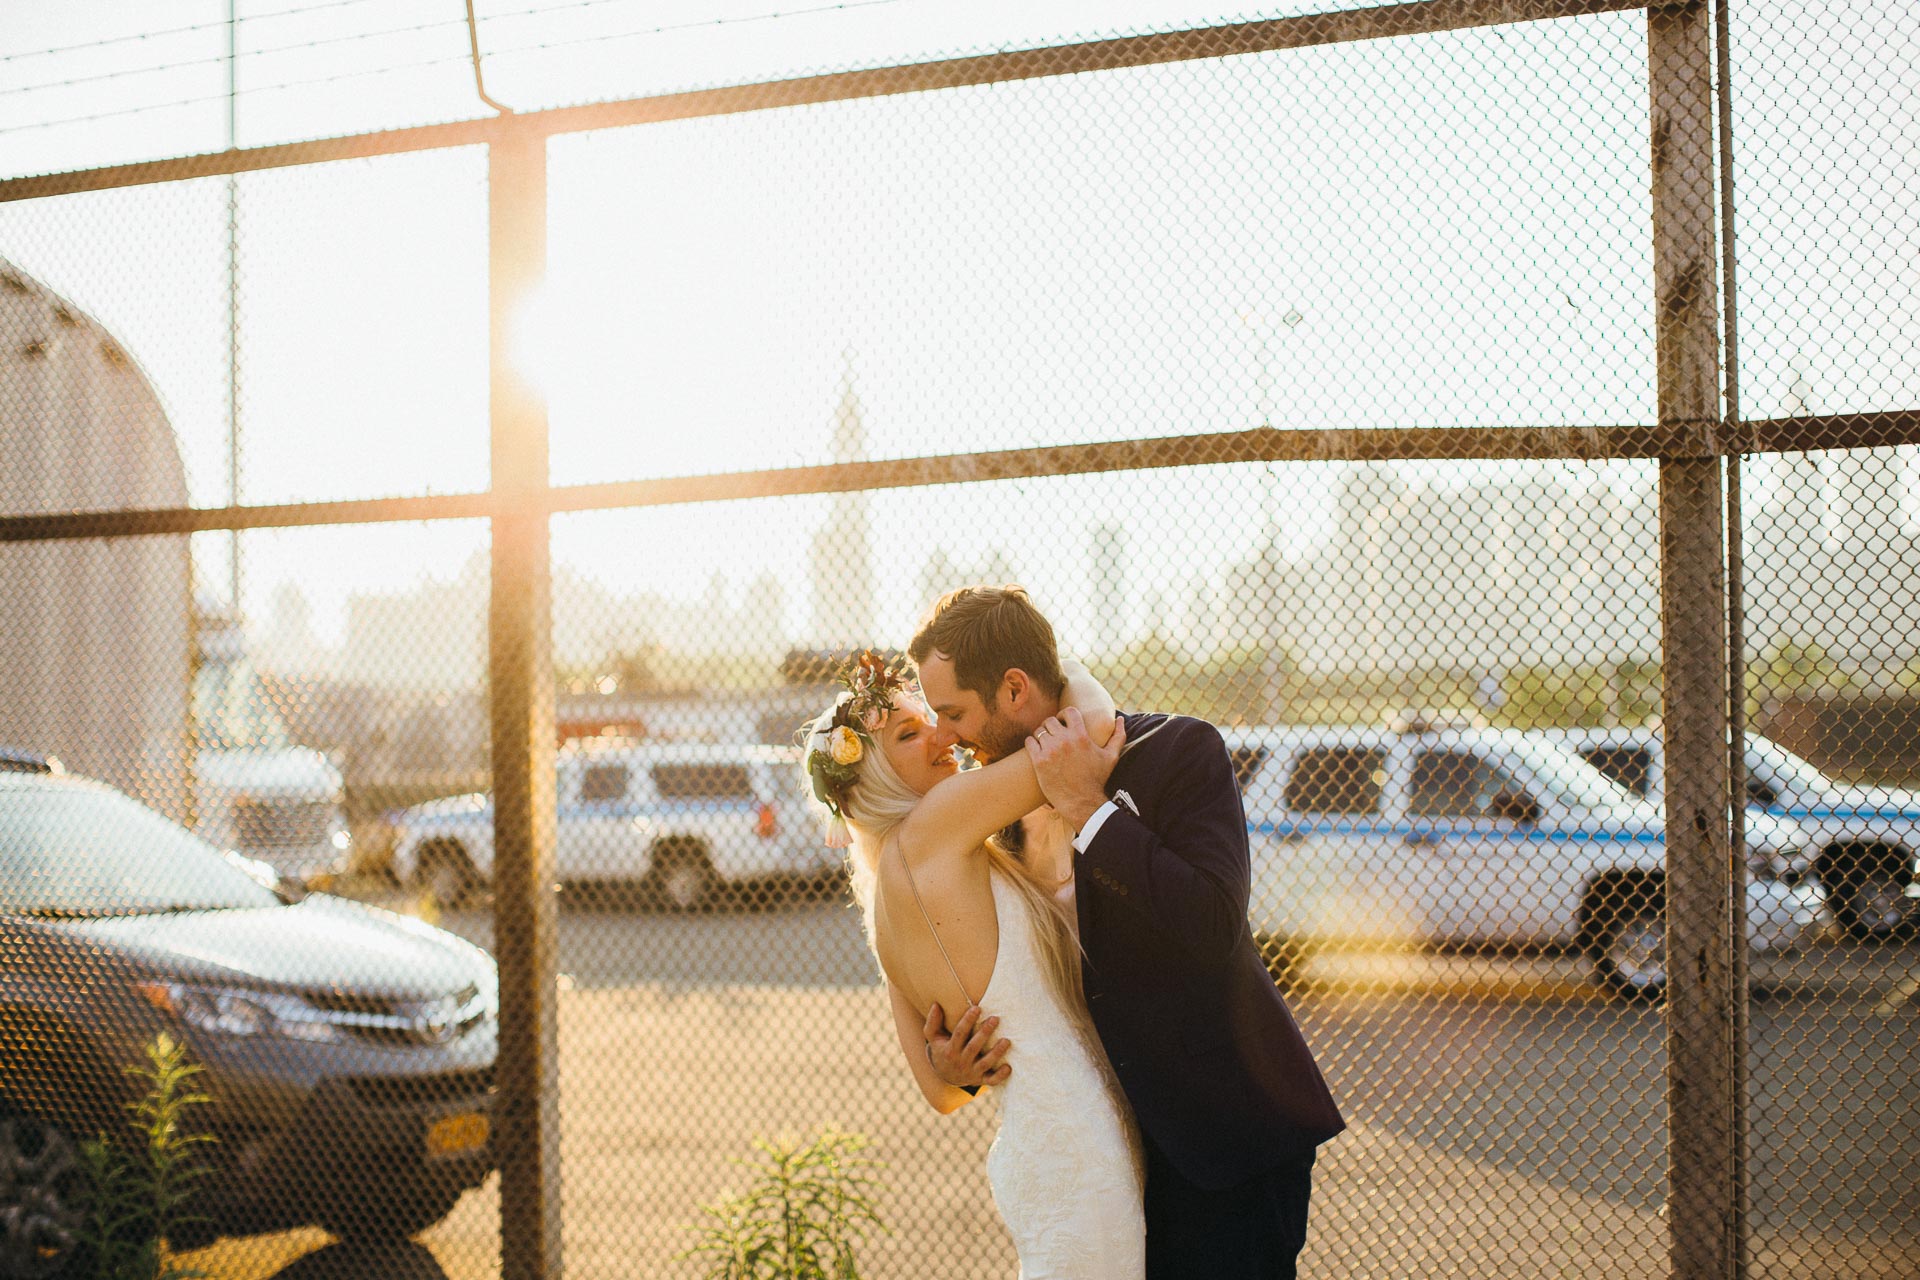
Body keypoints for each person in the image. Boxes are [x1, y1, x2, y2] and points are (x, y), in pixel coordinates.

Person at [910, 585, 1346, 1280]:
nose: (945, 736)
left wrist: (1089, 809)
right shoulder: (991, 821)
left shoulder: (1180, 749)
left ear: (1015, 689)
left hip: (1223, 1141)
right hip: (1106, 1155)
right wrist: (956, 1069)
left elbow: (1213, 923)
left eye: (954, 713)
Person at [800, 650, 1146, 1280]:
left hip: (1048, 1147)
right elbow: (1090, 725)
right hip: (1076, 1147)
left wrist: (954, 1064)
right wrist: (1047, 660)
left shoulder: (882, 907)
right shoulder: (935, 825)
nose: (942, 735)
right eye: (909, 734)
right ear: (872, 777)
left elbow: (942, 1093)